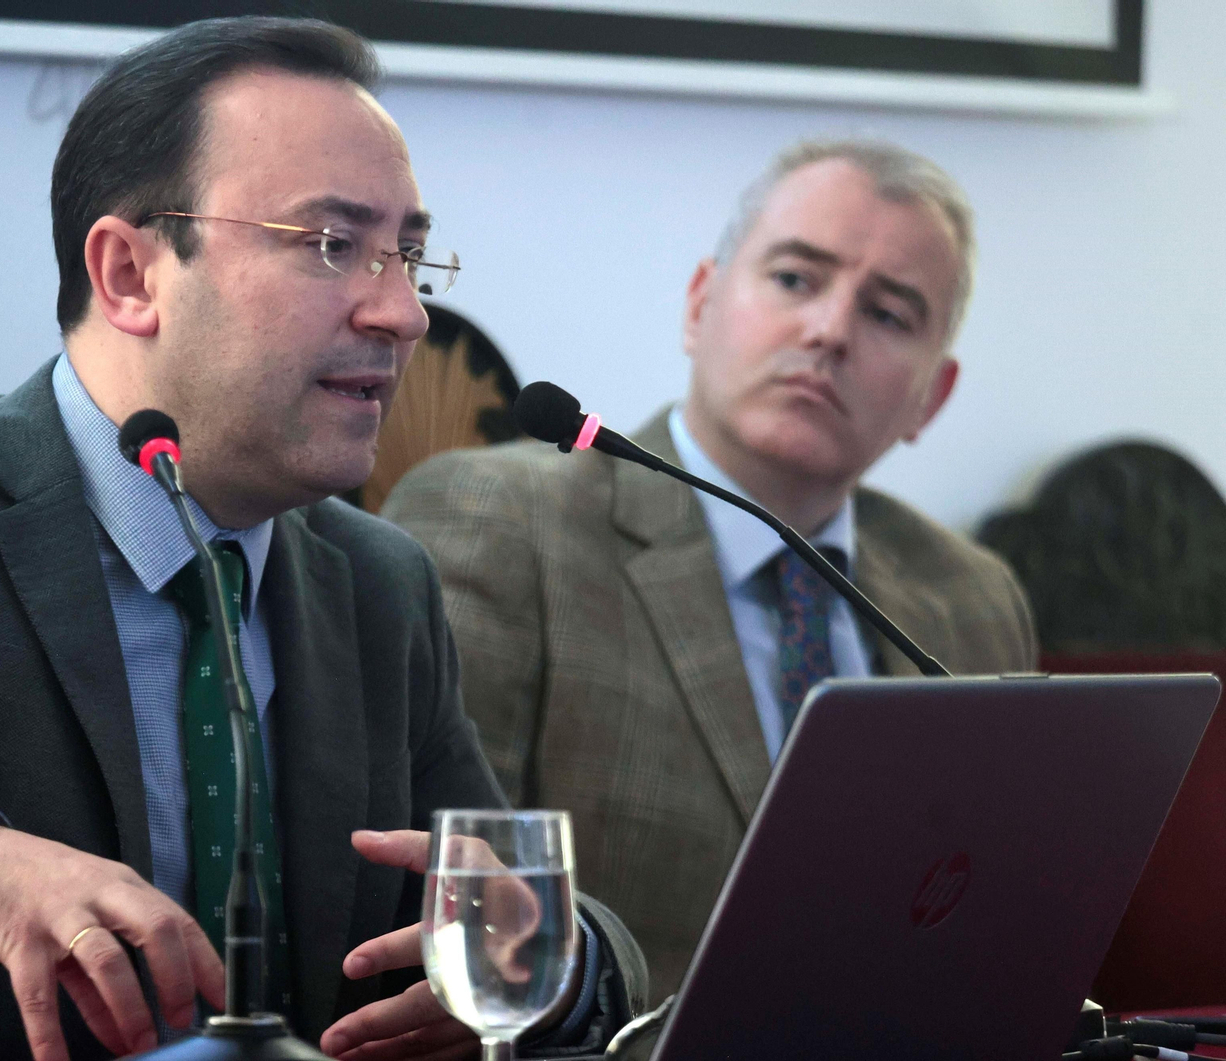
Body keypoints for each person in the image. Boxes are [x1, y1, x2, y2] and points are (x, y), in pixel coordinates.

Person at [0, 18, 643, 1061]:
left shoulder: (378, 581)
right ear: (129, 273)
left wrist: (558, 958)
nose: (403, 312)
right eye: (331, 244)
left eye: (406, 252)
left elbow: (511, 903)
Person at [383, 139, 1037, 999]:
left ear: (932, 397)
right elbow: (440, 896)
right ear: (701, 303)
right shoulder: (502, 523)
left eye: (889, 314)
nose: (829, 330)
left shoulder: (971, 595)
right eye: (796, 279)